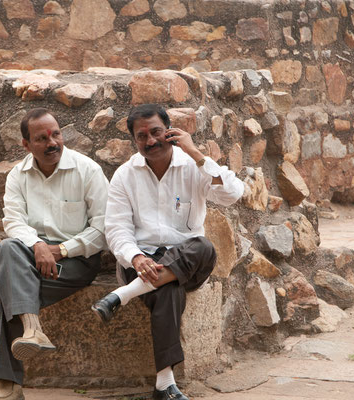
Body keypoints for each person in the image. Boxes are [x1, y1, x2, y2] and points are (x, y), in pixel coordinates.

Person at [92, 104, 244, 400]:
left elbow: (232, 195)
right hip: (139, 262)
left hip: (188, 259)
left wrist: (198, 154)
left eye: (157, 132)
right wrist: (136, 257)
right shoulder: (125, 175)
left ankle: (119, 297)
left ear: (170, 132)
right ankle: (165, 384)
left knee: (203, 245)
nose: (150, 141)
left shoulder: (192, 166)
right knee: (169, 288)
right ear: (134, 141)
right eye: (142, 136)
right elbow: (117, 229)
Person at [0, 108, 109, 400]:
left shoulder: (87, 170)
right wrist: (38, 246)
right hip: (33, 256)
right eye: (41, 138)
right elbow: (14, 222)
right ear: (26, 145)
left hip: (76, 261)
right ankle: (32, 329)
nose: (52, 142)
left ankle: (8, 383)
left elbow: (104, 228)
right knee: (8, 248)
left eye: (56, 134)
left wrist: (60, 250)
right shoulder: (18, 175)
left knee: (11, 286)